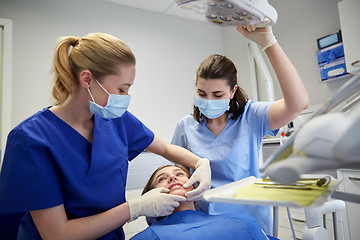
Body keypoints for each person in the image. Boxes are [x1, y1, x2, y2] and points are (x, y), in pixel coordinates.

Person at [0, 33, 211, 240]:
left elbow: (165, 149)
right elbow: (57, 234)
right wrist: (134, 208)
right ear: (87, 79)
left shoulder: (116, 119)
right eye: (121, 89)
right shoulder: (31, 140)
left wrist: (200, 163)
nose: (126, 98)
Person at [171, 25, 309, 235]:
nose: (208, 101)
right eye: (201, 93)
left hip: (250, 223)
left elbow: (298, 103)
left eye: (217, 95)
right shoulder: (186, 126)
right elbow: (179, 178)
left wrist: (269, 43)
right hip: (206, 225)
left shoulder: (251, 116)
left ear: (232, 91)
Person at [131, 164, 277, 240]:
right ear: (150, 195)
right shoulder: (150, 236)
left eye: (179, 174)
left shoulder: (242, 220)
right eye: (162, 179)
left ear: (196, 184)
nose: (172, 178)